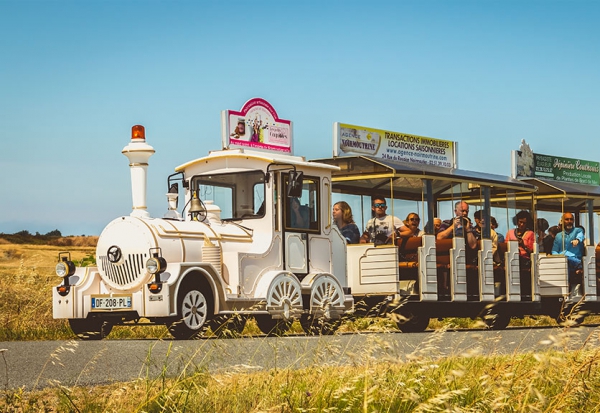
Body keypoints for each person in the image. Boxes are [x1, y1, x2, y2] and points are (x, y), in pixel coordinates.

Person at [506, 210, 535, 299]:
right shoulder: (510, 232)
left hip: (524, 259)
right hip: (511, 258)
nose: (522, 225)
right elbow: (505, 246)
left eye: (524, 223)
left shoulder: (530, 234)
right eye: (520, 222)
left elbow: (532, 251)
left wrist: (523, 245)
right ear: (517, 221)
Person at [552, 212, 584, 286]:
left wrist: (577, 240)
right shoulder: (558, 236)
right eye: (567, 219)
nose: (569, 221)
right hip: (563, 261)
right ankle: (567, 287)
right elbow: (554, 251)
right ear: (562, 221)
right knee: (565, 262)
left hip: (575, 260)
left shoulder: (578, 231)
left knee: (567, 260)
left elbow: (580, 236)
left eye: (571, 219)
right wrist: (559, 258)